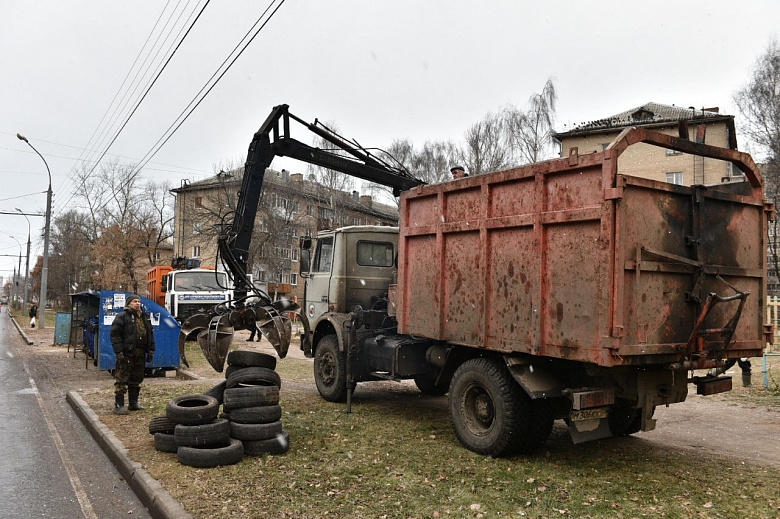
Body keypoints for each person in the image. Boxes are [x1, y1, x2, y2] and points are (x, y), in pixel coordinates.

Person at [110, 295, 155, 415]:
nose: (137, 303)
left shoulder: (145, 317)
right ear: (129, 303)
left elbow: (150, 334)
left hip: (140, 353)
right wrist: (119, 352)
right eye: (135, 301)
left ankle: (133, 403)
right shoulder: (122, 317)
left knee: (136, 378)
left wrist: (151, 350)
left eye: (139, 301)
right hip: (126, 353)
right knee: (121, 379)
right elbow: (115, 335)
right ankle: (119, 405)